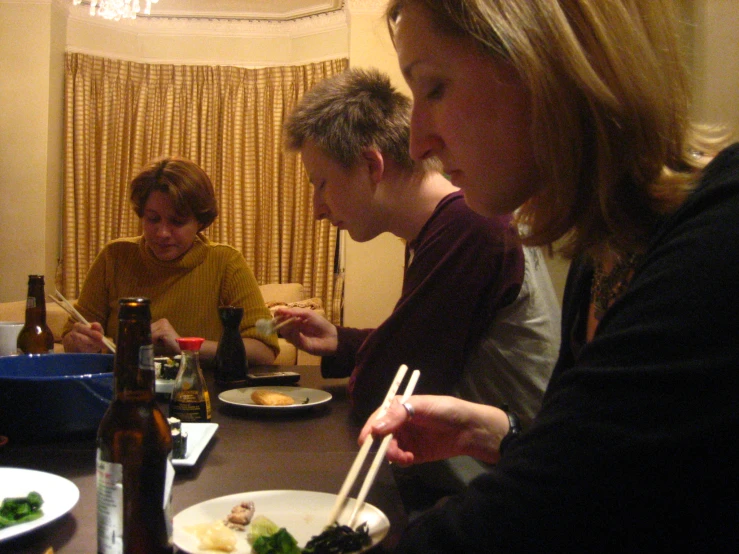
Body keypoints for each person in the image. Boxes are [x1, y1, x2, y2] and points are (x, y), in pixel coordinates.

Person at [358, 0, 739, 552]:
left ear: (550, 63)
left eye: (435, 88)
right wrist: (502, 434)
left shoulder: (717, 241)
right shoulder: (604, 247)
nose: (418, 143)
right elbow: (618, 483)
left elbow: (537, 520)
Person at [278, 68, 560, 425]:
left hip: (497, 473)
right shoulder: (447, 225)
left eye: (321, 184)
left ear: (371, 165)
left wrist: (364, 364)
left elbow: (381, 392)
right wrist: (340, 340)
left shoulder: (468, 226)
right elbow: (420, 352)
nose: (318, 209)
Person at [62, 157, 278, 365]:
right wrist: (79, 341)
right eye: (152, 219)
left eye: (177, 221)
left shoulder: (226, 262)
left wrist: (184, 345)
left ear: (200, 222)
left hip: (200, 394)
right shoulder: (114, 257)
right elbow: (71, 336)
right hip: (125, 390)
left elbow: (264, 350)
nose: (162, 233)